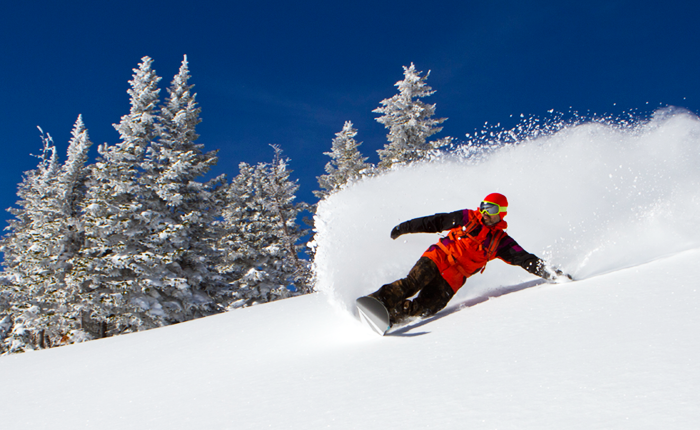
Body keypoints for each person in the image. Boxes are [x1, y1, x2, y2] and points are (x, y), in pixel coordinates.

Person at [369, 193, 571, 324]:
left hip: (455, 276)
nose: (484, 212)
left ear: (501, 213)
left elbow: (525, 259)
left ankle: (392, 317)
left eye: (490, 209)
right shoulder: (467, 217)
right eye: (483, 206)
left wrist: (552, 274)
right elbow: (435, 221)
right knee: (412, 283)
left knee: (429, 307)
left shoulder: (501, 241)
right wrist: (404, 228)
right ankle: (376, 301)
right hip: (439, 256)